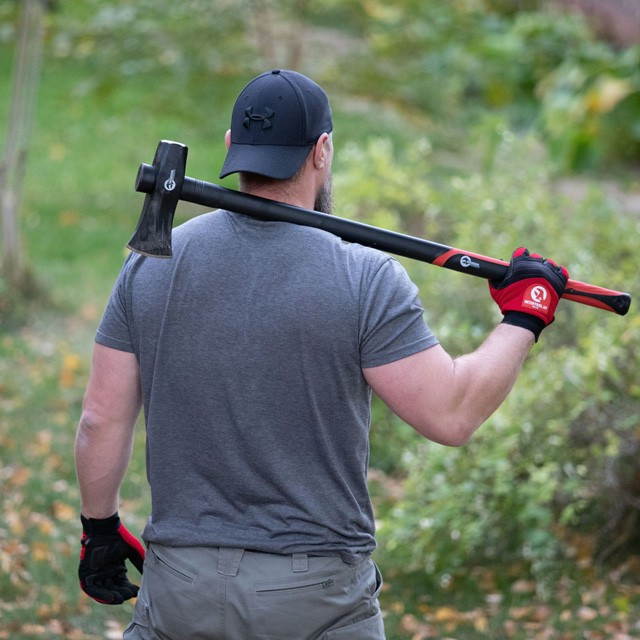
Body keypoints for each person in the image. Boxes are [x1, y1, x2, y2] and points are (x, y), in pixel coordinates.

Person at [75, 69, 568, 639]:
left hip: (180, 588)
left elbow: (99, 420)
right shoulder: (363, 276)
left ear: (233, 148)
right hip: (314, 600)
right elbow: (451, 414)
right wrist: (526, 314)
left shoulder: (152, 261)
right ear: (322, 150)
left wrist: (100, 528)